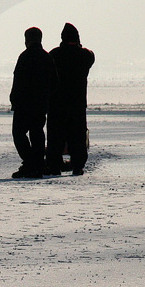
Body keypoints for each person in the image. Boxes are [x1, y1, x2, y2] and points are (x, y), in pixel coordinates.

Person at [46, 23, 95, 176]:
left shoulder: (54, 54)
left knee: (55, 135)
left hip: (56, 102)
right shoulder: (85, 55)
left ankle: (54, 165)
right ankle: (78, 166)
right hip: (77, 102)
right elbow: (90, 55)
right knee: (77, 135)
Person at [9, 27, 57, 178]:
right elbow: (55, 83)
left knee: (19, 133)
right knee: (37, 133)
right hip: (40, 104)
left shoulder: (25, 56)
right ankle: (37, 164)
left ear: (27, 40)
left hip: (24, 104)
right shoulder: (47, 57)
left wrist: (14, 99)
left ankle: (30, 163)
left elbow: (18, 80)